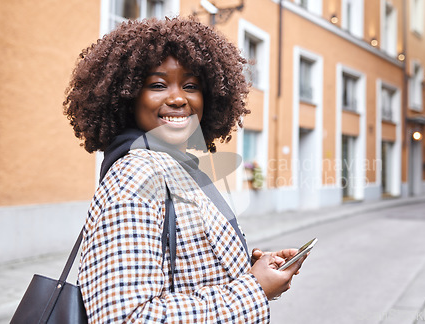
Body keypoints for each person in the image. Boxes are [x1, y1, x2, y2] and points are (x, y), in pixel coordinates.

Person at [64, 17, 305, 323]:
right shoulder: (136, 175)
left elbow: (187, 268)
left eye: (191, 85)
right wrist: (254, 289)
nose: (178, 98)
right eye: (158, 85)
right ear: (127, 96)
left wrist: (249, 268)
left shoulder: (174, 165)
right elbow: (127, 317)